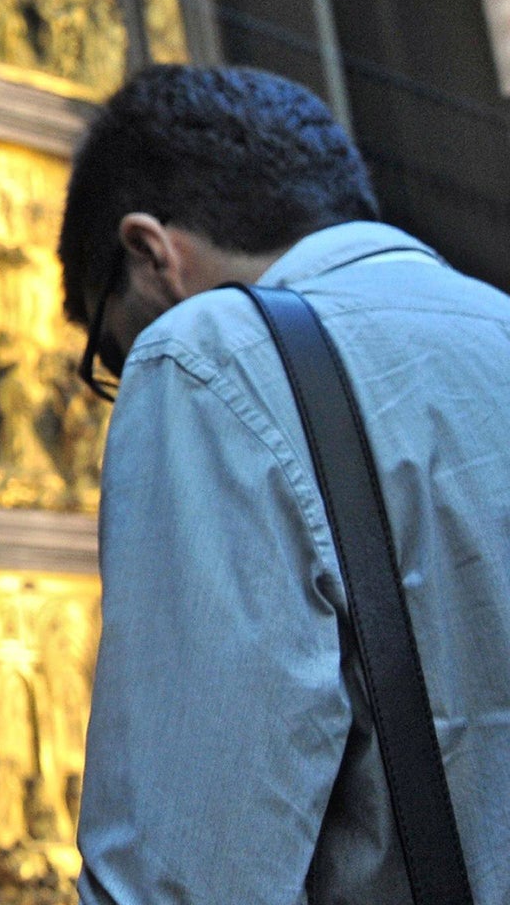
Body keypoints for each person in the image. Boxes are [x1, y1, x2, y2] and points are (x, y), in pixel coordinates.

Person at [58, 64, 510, 905]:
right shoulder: (495, 324)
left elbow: (184, 879)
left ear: (151, 253)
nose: (126, 376)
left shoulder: (209, 355)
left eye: (111, 354)